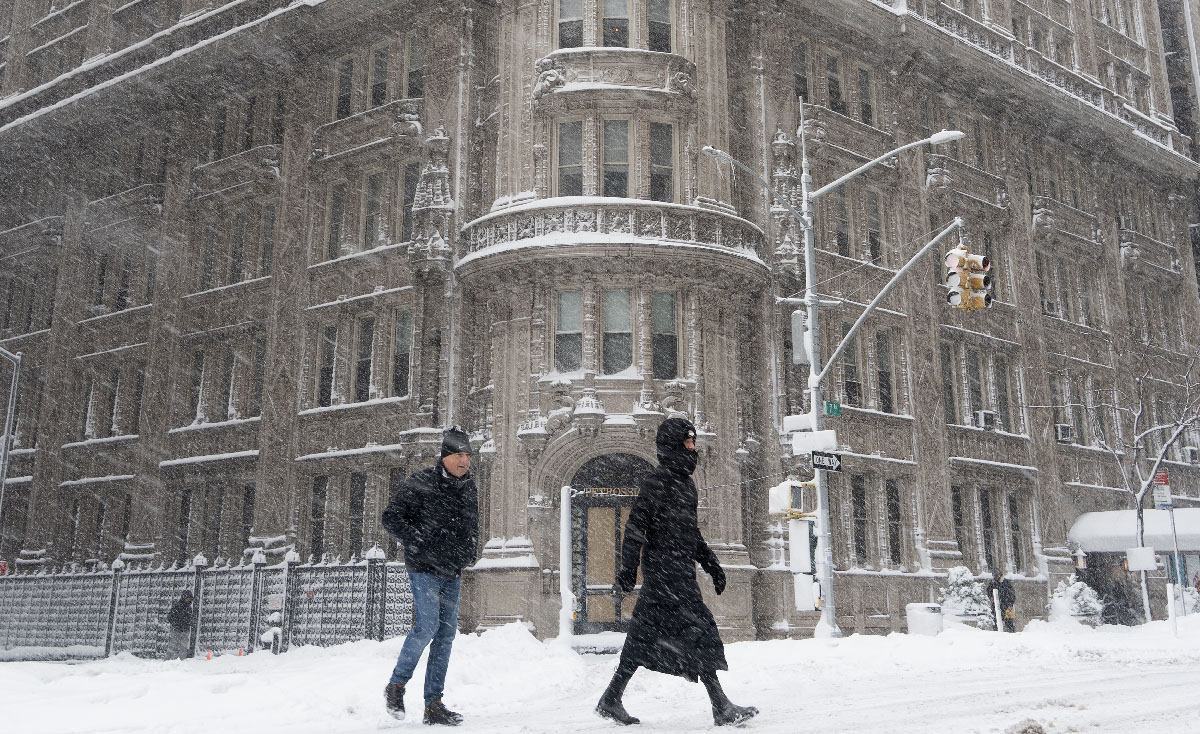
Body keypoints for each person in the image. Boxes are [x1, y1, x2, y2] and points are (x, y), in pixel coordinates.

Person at [595, 417, 757, 727]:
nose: (693, 449)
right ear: (673, 446)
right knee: (699, 631)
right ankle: (720, 705)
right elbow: (635, 527)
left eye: (693, 443)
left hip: (680, 574)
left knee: (644, 638)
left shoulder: (686, 484)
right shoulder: (656, 483)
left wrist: (711, 564)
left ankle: (611, 698)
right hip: (664, 576)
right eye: (688, 443)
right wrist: (628, 570)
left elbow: (690, 532)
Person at [381, 426, 479, 726]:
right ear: (446, 457)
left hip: (452, 568)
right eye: (459, 455)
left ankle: (433, 703)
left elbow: (471, 524)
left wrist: (469, 550)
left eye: (468, 456)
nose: (465, 462)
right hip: (424, 567)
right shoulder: (421, 482)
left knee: (446, 635)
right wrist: (417, 540)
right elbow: (391, 517)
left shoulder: (469, 487)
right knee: (427, 626)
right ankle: (396, 685)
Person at [166, 591, 194, 659]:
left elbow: (189, 619)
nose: (188, 600)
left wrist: (188, 624)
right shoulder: (177, 606)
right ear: (184, 597)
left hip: (185, 631)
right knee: (173, 646)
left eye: (190, 598)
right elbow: (170, 617)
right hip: (176, 630)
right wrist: (176, 624)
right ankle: (168, 660)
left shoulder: (189, 608)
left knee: (183, 647)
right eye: (187, 598)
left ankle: (181, 661)